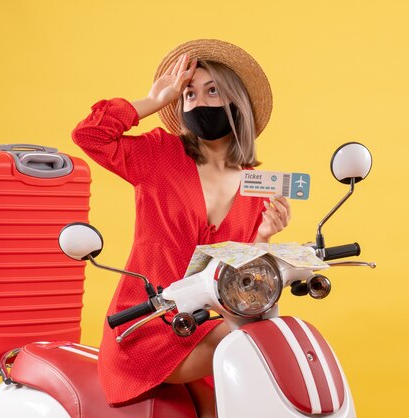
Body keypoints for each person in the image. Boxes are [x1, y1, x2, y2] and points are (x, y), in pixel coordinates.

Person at [72, 39, 291, 418]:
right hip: (145, 323)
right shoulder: (158, 154)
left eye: (212, 91)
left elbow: (236, 272)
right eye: (189, 94)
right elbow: (88, 135)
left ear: (236, 103)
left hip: (205, 321)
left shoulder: (258, 185)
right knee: (253, 339)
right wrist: (155, 99)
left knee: (263, 336)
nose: (200, 102)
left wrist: (264, 236)